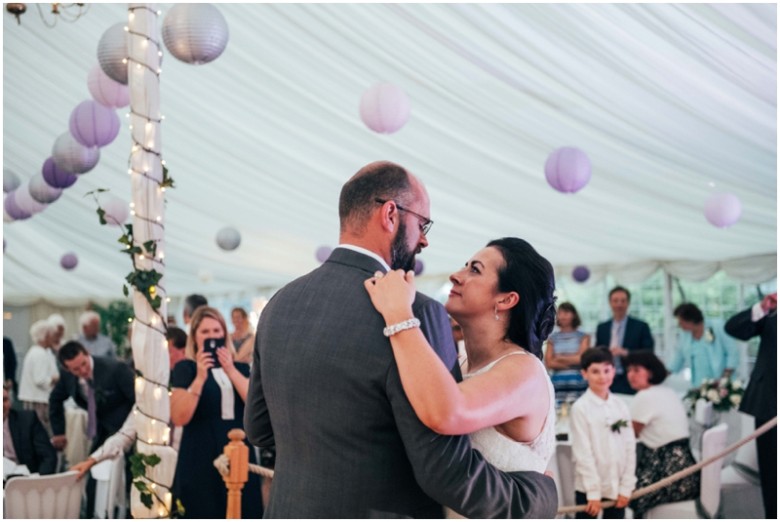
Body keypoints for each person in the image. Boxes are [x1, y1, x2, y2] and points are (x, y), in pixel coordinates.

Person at [245, 161, 557, 518]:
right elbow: (445, 470)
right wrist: (539, 495)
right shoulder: (417, 314)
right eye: (422, 224)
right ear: (391, 214)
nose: (424, 239)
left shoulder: (280, 303)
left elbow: (259, 429)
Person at [364, 237, 556, 478]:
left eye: (474, 269)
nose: (455, 275)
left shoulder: (524, 370)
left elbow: (448, 413)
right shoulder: (461, 363)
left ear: (506, 299)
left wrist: (399, 313)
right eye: (465, 266)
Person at [170, 306, 262, 519]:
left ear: (224, 334)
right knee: (204, 509)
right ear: (194, 337)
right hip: (200, 453)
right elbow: (179, 417)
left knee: (245, 509)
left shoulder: (241, 369)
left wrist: (230, 369)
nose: (212, 336)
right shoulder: (186, 369)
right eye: (205, 332)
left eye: (216, 331)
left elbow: (255, 405)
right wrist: (200, 378)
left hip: (239, 452)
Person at [69, 326, 191, 479]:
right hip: (160, 472)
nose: (162, 359)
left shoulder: (197, 387)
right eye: (160, 353)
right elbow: (126, 433)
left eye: (168, 352)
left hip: (191, 466)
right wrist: (92, 460)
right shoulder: (152, 390)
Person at [625, 351, 699, 517]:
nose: (631, 375)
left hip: (669, 474)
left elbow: (628, 436)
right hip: (689, 474)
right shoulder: (668, 392)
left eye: (637, 370)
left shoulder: (644, 396)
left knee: (621, 493)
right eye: (629, 370)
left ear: (650, 372)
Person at [725, 292, 776, 519]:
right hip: (769, 404)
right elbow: (734, 328)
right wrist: (763, 308)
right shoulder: (771, 313)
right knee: (772, 472)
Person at [570, 347, 636, 519]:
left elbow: (630, 448)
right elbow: (583, 453)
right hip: (588, 486)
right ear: (584, 374)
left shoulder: (621, 406)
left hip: (616, 486)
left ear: (613, 371)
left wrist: (626, 487)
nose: (602, 377)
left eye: (607, 370)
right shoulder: (580, 408)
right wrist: (593, 492)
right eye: (595, 372)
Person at [48, 341, 135, 452]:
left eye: (84, 364)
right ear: (67, 369)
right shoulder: (67, 376)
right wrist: (59, 432)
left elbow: (138, 399)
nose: (83, 370)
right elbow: (55, 399)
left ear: (87, 353)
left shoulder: (115, 368)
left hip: (124, 427)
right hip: (99, 429)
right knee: (94, 466)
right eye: (76, 369)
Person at [595, 286, 654, 394]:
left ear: (628, 303)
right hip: (607, 378)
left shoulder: (641, 326)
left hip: (632, 378)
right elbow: (597, 352)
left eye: (623, 301)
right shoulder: (602, 328)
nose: (619, 304)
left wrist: (626, 353)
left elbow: (649, 352)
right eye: (615, 301)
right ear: (610, 303)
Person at [669, 302, 739, 386]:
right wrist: (661, 374)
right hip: (698, 384)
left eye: (681, 322)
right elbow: (678, 358)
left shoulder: (717, 326)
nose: (679, 325)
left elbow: (732, 352)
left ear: (691, 320)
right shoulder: (685, 334)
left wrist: (724, 378)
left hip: (721, 382)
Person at [3, 383, 57, 476]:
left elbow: (48, 456)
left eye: (4, 400)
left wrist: (38, 481)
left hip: (27, 478)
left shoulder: (27, 420)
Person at [17, 319, 59, 435]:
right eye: (52, 335)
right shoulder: (38, 354)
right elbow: (40, 380)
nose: (54, 338)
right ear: (45, 336)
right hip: (37, 400)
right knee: (39, 433)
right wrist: (56, 379)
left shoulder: (45, 352)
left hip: (40, 399)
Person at [545, 302, 590, 399]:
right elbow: (549, 363)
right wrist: (572, 361)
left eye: (566, 312)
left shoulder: (583, 336)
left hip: (578, 381)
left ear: (573, 315)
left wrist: (559, 357)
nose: (562, 316)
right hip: (557, 382)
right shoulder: (552, 338)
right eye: (560, 313)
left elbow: (582, 359)